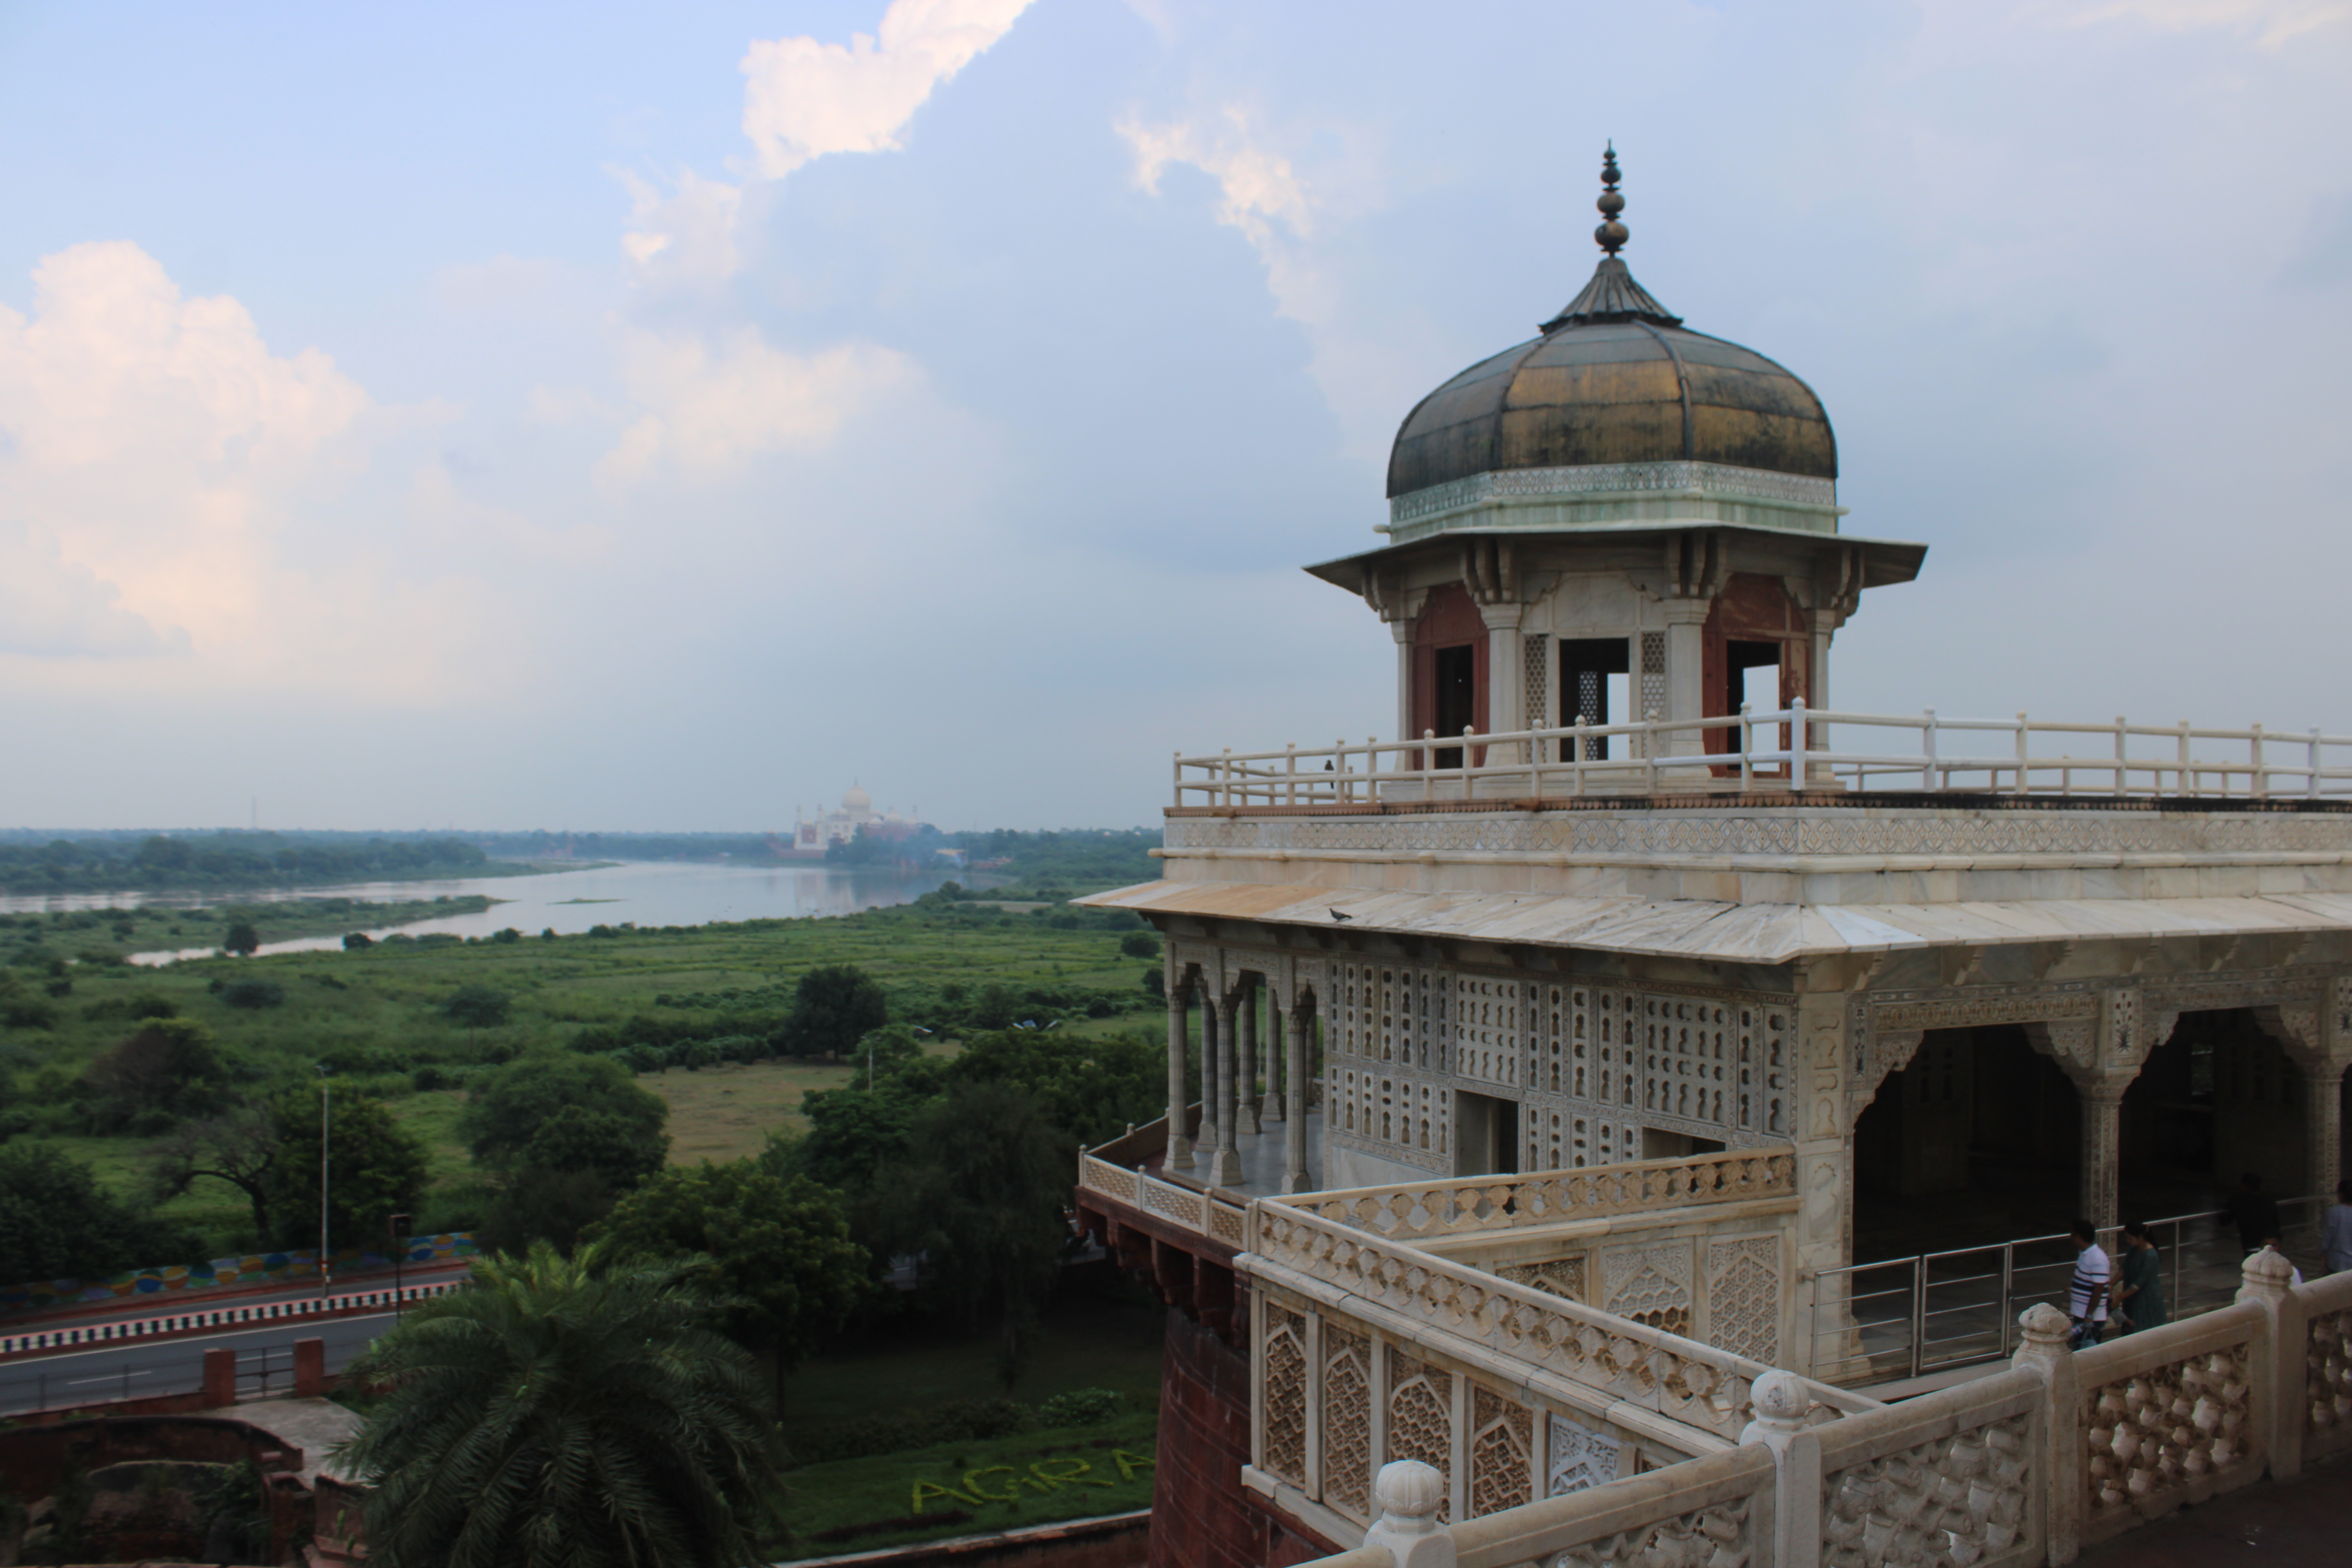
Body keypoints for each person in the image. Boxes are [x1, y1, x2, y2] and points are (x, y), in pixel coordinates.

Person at [2113, 1220, 2165, 1334]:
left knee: (2142, 1329)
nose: (2128, 1241)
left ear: (2141, 1238)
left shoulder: (2150, 1256)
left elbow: (2139, 1283)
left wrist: (2119, 1297)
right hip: (2131, 1296)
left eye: (2130, 1238)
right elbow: (2124, 1269)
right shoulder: (2134, 1249)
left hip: (2146, 1298)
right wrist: (2111, 1284)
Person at [2067, 1218, 2111, 1350]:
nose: (2070, 1237)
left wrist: (2090, 1315)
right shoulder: (2085, 1255)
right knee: (2077, 1343)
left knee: (2087, 1351)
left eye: (2072, 1234)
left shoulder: (2098, 1259)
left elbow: (2098, 1290)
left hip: (2090, 1320)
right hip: (2081, 1315)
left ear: (2079, 1237)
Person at [2225, 1172, 2280, 1256]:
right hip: (2270, 1246)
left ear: (2245, 1186)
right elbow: (2277, 1224)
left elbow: (2224, 1221)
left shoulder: (2238, 1201)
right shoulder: (2270, 1202)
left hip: (2251, 1245)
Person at [2325, 1180, 2352, 1276]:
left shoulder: (2334, 1212)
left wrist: (2323, 1261)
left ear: (2341, 1195)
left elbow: (2327, 1240)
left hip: (2336, 1264)